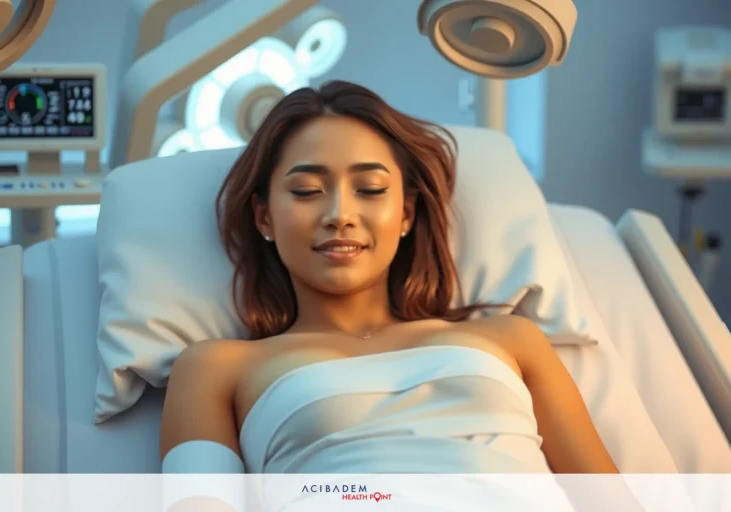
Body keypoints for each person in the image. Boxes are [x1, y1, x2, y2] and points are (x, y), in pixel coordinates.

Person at [159, 80, 627, 509]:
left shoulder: (513, 340)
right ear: (264, 218)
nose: (339, 214)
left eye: (369, 188)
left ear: (404, 214)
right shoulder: (215, 368)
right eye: (306, 191)